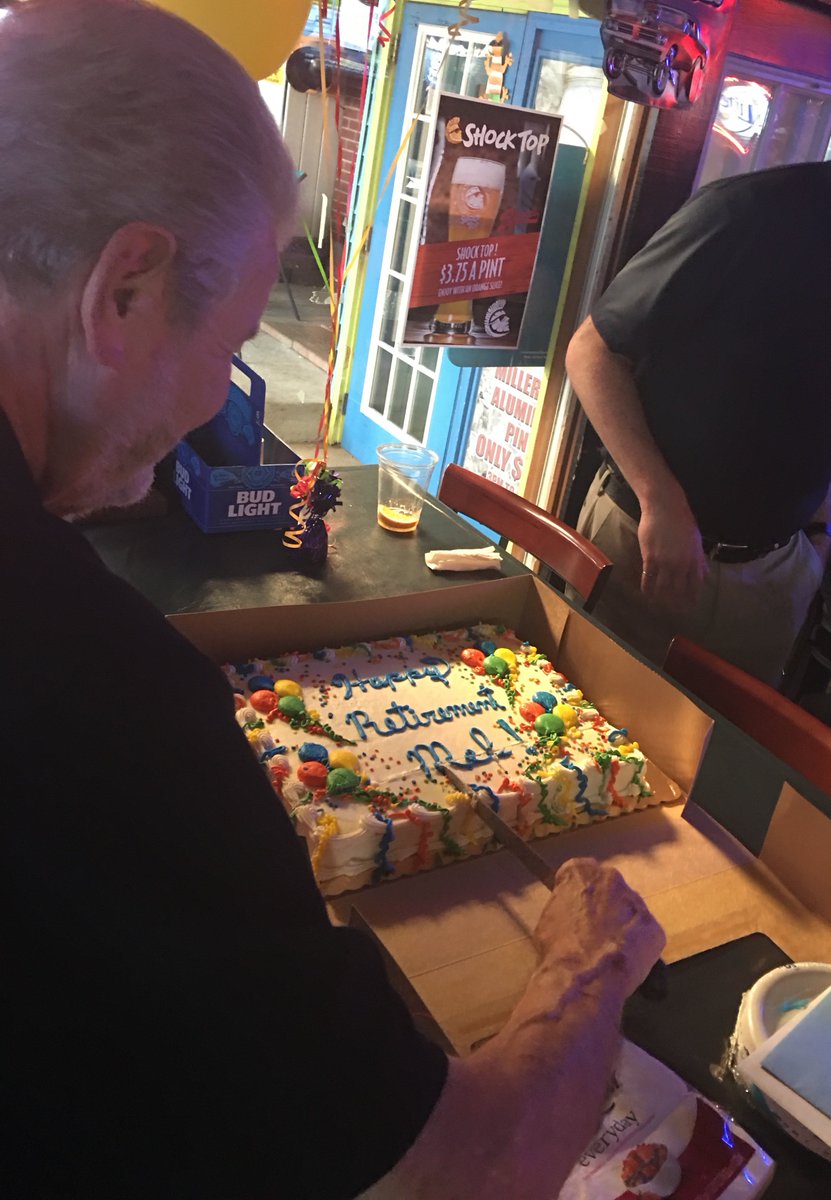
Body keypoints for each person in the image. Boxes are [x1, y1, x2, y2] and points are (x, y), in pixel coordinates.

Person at [1, 3, 664, 1198]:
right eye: (235, 339)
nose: (223, 393)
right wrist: (589, 967)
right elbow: (459, 1174)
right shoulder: (94, 693)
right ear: (128, 288)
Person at [566, 160, 831, 687]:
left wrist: (819, 532)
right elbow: (590, 353)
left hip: (776, 575)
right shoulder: (744, 210)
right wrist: (661, 500)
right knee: (579, 742)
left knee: (717, 764)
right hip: (646, 540)